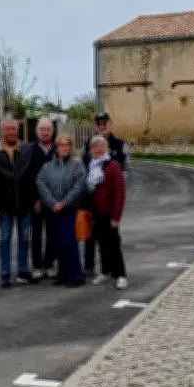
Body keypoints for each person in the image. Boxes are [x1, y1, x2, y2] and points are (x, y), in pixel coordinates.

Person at [0, 118, 39, 288]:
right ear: (2, 131)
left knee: (24, 238)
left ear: (18, 131)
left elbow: (34, 175)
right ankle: (5, 273)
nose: (11, 132)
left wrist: (36, 198)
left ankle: (23, 271)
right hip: (5, 204)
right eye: (7, 129)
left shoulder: (28, 149)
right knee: (5, 238)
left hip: (26, 202)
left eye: (13, 129)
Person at [80, 112, 132, 278]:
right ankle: (92, 267)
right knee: (92, 236)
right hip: (92, 201)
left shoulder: (119, 144)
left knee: (112, 238)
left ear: (109, 123)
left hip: (110, 201)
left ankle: (114, 270)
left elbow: (127, 169)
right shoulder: (88, 143)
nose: (102, 126)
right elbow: (83, 168)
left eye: (104, 122)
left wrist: (118, 186)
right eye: (98, 123)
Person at [36, 135, 87, 287]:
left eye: (67, 145)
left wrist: (63, 204)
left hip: (69, 210)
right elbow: (40, 183)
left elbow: (79, 186)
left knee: (69, 242)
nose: (64, 147)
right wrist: (52, 203)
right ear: (56, 148)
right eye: (61, 145)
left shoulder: (76, 165)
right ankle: (63, 274)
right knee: (56, 242)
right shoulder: (47, 167)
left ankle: (75, 275)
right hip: (52, 211)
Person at [86, 134, 128, 289]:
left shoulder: (113, 166)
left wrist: (116, 216)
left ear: (106, 148)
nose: (97, 149)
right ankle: (105, 271)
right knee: (101, 243)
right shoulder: (92, 166)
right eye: (94, 146)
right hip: (96, 213)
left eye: (100, 146)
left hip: (109, 213)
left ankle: (121, 275)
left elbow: (120, 193)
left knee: (114, 245)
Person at [29, 117, 57, 280]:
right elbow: (28, 176)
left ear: (52, 132)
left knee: (52, 233)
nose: (45, 132)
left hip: (54, 200)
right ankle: (37, 266)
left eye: (48, 130)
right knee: (37, 234)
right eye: (42, 130)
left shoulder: (57, 149)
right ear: (37, 131)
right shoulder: (30, 150)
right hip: (37, 201)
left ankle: (50, 264)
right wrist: (35, 198)